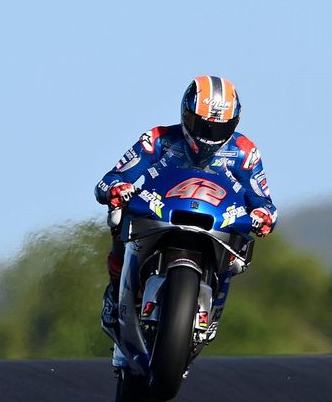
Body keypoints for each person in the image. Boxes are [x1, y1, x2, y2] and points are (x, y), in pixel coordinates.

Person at [94, 76, 278, 336]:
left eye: (219, 129)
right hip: (161, 210)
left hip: (217, 219)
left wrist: (263, 214)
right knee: (117, 216)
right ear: (185, 114)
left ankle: (214, 308)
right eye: (201, 125)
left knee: (241, 251)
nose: (208, 136)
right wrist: (116, 188)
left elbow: (262, 199)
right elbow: (111, 179)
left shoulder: (245, 152)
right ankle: (115, 293)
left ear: (234, 123)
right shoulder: (157, 139)